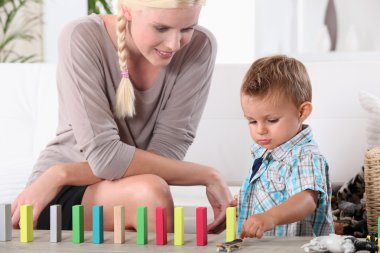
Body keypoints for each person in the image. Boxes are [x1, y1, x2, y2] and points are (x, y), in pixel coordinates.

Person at [11, 0, 232, 233]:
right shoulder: (81, 37)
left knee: (149, 192)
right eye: (161, 28)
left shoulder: (199, 46)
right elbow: (105, 156)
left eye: (187, 29)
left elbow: (168, 152)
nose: (174, 44)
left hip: (79, 179)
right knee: (149, 195)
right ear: (126, 10)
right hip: (58, 193)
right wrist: (207, 175)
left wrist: (62, 173)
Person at [236, 55, 334, 238]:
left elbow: (306, 199)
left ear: (302, 112)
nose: (261, 130)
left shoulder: (305, 156)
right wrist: (243, 204)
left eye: (272, 120)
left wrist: (270, 217)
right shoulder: (266, 152)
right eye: (252, 121)